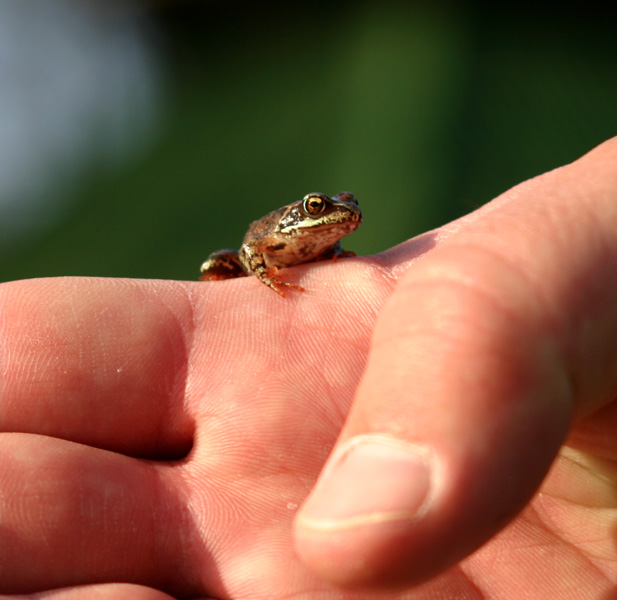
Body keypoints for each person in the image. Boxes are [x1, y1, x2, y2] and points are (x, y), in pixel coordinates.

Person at [0, 138, 615, 600]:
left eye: (343, 211)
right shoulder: (279, 234)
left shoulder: (334, 244)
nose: (336, 215)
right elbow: (247, 250)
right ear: (304, 213)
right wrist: (263, 279)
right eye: (324, 209)